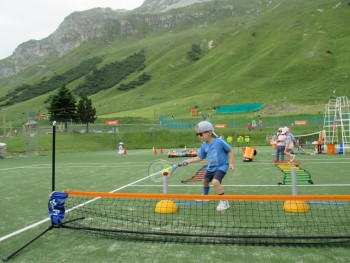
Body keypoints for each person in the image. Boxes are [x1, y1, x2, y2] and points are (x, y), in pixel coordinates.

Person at [182, 121, 234, 211]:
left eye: (201, 134)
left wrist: (231, 163)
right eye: (197, 134)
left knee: (215, 182)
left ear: (210, 133)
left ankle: (224, 201)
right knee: (205, 181)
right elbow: (200, 157)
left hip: (221, 166)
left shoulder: (219, 142)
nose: (199, 136)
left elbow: (230, 150)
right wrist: (188, 161)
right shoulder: (204, 145)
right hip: (211, 167)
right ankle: (205, 196)